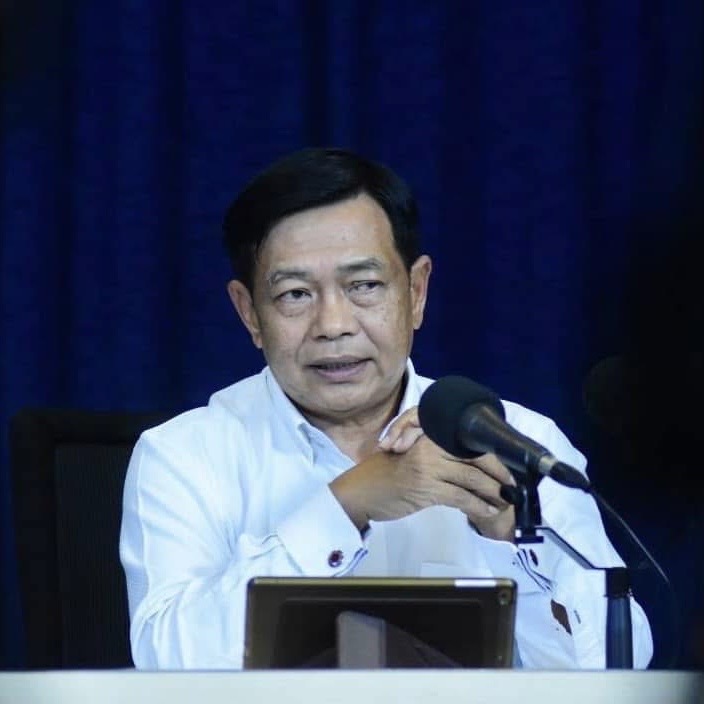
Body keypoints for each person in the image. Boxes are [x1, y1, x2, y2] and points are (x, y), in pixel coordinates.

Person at [119, 147, 653, 669]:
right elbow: (167, 661)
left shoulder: (515, 442)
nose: (334, 325)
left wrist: (511, 538)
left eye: (364, 285)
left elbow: (619, 664)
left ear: (416, 291)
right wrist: (344, 507)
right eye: (296, 294)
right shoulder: (185, 455)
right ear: (249, 313)